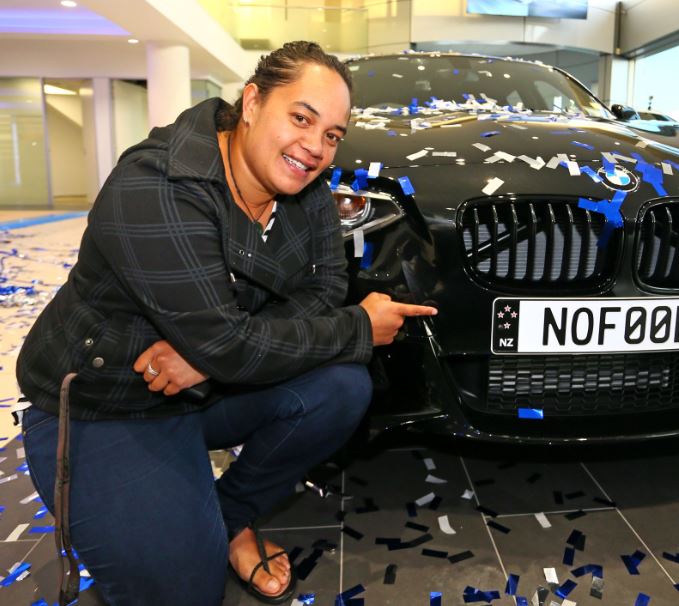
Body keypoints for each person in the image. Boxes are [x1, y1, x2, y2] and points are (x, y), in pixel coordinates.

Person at [16, 41, 436, 606]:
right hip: (107, 404)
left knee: (341, 387)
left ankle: (227, 513)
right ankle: (184, 524)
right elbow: (236, 341)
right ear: (253, 102)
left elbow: (323, 291)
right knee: (185, 593)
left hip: (201, 388)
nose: (315, 147)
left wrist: (208, 355)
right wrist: (355, 328)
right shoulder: (156, 185)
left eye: (332, 135)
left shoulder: (306, 188)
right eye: (301, 118)